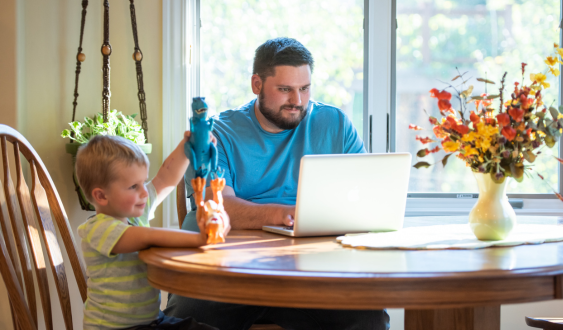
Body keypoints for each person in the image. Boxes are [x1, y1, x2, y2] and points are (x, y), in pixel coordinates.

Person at [164, 38, 390, 330]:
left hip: (313, 272)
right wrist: (285, 214)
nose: (297, 100)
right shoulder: (219, 132)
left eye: (304, 88)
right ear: (256, 84)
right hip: (231, 271)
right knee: (185, 316)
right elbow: (216, 206)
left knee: (369, 317)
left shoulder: (334, 124)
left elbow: (366, 194)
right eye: (285, 89)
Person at [76, 134, 229, 330]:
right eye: (133, 186)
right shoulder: (98, 229)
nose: (144, 192)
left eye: (144, 182)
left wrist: (187, 146)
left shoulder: (134, 212)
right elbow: (146, 237)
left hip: (150, 321)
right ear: (101, 196)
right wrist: (201, 238)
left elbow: (166, 177)